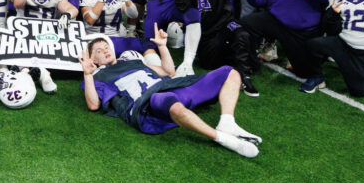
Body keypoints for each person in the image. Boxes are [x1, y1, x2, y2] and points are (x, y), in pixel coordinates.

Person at [79, 36, 262, 158]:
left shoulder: (132, 60)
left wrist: (162, 47)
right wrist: (87, 75)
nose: (105, 51)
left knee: (229, 72)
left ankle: (227, 122)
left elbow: (168, 72)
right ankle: (223, 138)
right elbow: (93, 105)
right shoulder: (98, 76)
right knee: (171, 104)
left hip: (168, 87)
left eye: (106, 47)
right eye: (99, 51)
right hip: (147, 103)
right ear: (93, 60)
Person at [173, 0, 259, 96]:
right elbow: (183, 7)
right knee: (208, 64)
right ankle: (232, 57)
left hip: (225, 23)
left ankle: (245, 76)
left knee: (241, 33)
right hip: (205, 31)